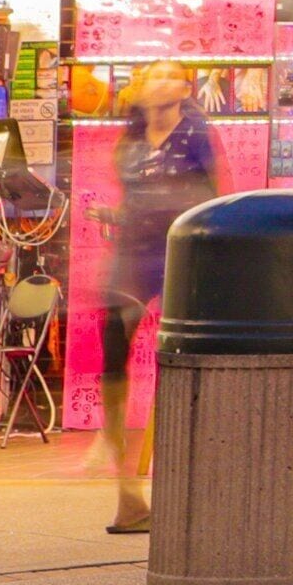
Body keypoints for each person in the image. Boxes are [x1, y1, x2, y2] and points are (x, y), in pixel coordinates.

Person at [100, 59, 222, 533]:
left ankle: (184, 481)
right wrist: (116, 214)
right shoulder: (130, 139)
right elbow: (133, 196)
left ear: (187, 88)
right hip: (133, 252)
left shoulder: (196, 136)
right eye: (153, 75)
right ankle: (126, 495)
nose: (160, 83)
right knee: (113, 355)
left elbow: (211, 198)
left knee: (181, 358)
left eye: (171, 76)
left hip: (177, 254)